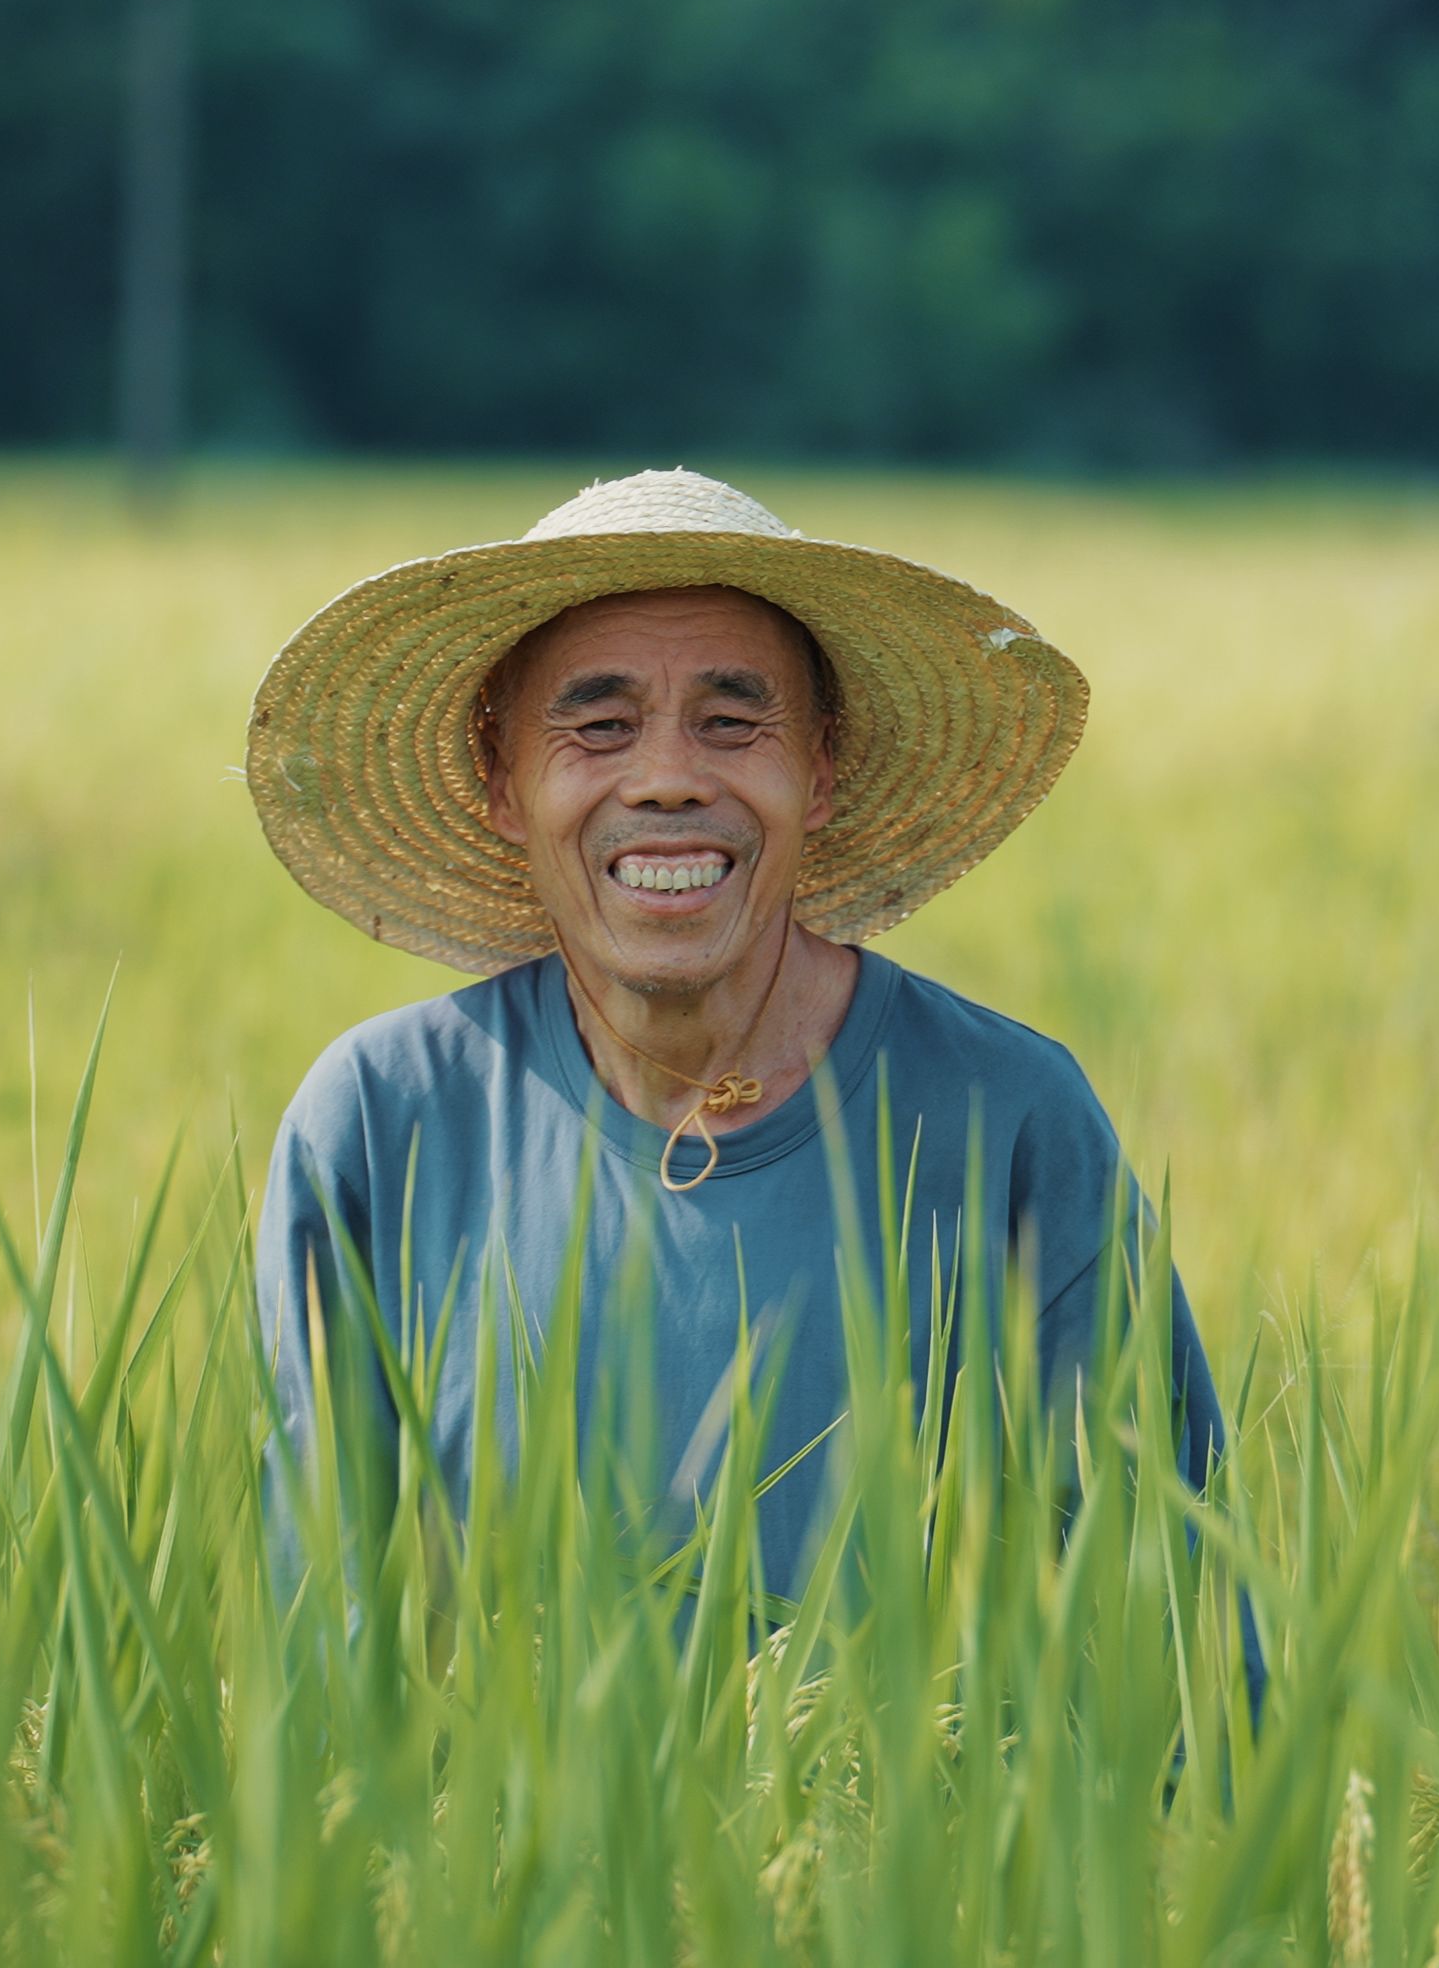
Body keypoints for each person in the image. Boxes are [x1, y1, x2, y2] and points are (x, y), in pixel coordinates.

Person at [245, 468, 1242, 1618]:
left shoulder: (1007, 1119)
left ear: (817, 772)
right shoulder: (381, 1123)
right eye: (599, 726)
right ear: (501, 784)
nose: (668, 779)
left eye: (732, 723)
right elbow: (318, 1631)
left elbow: (1171, 1633)